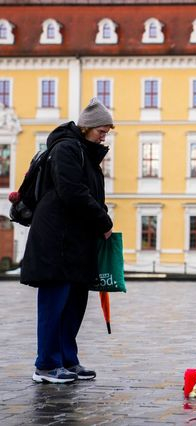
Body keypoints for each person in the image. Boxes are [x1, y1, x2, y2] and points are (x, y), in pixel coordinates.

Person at [21, 98, 114, 383]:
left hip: (75, 242)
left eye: (107, 130)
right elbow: (72, 191)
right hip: (56, 241)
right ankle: (46, 366)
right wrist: (103, 220)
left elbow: (90, 195)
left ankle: (67, 360)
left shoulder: (86, 153)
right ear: (86, 127)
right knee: (54, 304)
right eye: (101, 129)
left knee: (73, 305)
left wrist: (100, 217)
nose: (104, 134)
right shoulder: (66, 148)